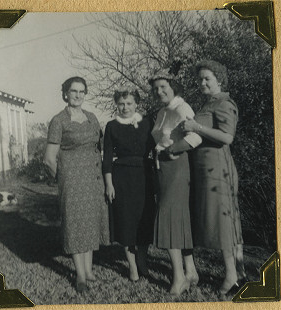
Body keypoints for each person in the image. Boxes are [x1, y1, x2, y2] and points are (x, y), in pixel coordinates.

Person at [180, 60, 246, 298]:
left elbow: (227, 137)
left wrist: (196, 127)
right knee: (221, 223)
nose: (202, 82)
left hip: (218, 171)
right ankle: (238, 272)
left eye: (207, 78)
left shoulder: (224, 103)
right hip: (206, 171)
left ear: (220, 79)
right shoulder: (209, 102)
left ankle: (231, 276)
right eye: (200, 79)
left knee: (223, 224)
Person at [44, 76, 109, 293]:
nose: (78, 95)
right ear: (65, 93)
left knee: (90, 222)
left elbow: (98, 148)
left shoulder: (91, 118)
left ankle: (89, 270)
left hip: (92, 178)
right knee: (75, 223)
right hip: (71, 181)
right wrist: (63, 178)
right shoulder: (59, 120)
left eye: (82, 91)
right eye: (74, 91)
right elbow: (49, 158)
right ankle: (80, 276)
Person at [149, 67, 202, 296]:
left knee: (169, 219)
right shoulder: (162, 112)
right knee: (178, 220)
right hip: (162, 169)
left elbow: (197, 136)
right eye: (156, 89)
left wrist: (174, 148)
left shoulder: (182, 107)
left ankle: (179, 278)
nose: (160, 91)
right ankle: (190, 272)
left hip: (178, 168)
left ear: (173, 87)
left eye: (164, 87)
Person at [103, 87, 156, 282]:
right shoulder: (111, 126)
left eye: (129, 103)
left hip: (144, 177)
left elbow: (157, 149)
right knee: (126, 222)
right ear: (116, 105)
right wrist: (109, 184)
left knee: (144, 220)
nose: (125, 107)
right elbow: (107, 158)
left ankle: (142, 263)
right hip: (122, 178)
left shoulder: (147, 123)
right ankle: (132, 267)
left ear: (136, 104)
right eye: (121, 104)